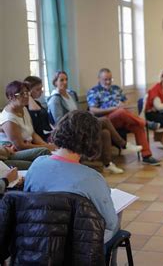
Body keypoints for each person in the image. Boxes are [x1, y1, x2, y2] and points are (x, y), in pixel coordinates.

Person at [24, 110, 119, 243]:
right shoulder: (92, 179)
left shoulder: (36, 165)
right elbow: (111, 223)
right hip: (76, 245)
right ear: (92, 140)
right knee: (115, 222)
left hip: (37, 238)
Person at [49, 71, 142, 173]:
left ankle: (108, 164)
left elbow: (79, 112)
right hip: (71, 128)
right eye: (61, 80)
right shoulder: (55, 99)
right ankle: (123, 145)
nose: (65, 82)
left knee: (105, 133)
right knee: (105, 120)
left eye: (66, 79)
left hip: (79, 124)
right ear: (55, 82)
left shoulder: (71, 94)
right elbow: (59, 121)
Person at [87, 68, 159, 165]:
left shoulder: (116, 89)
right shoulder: (93, 91)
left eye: (110, 79)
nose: (108, 82)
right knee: (120, 112)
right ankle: (146, 123)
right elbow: (93, 110)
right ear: (99, 79)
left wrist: (123, 104)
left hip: (121, 118)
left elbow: (125, 102)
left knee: (137, 125)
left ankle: (147, 156)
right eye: (105, 79)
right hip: (106, 120)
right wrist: (114, 108)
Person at [0, 81, 55, 152]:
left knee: (53, 148)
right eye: (21, 94)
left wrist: (45, 144)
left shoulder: (24, 108)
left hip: (28, 145)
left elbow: (32, 133)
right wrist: (46, 147)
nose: (26, 96)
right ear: (10, 97)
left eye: (27, 93)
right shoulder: (8, 118)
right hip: (14, 151)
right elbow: (20, 146)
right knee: (44, 151)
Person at [24, 76, 53, 141]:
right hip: (39, 138)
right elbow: (35, 109)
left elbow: (47, 122)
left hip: (48, 134)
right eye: (38, 89)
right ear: (29, 91)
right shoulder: (25, 106)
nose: (41, 91)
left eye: (41, 88)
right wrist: (28, 95)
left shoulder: (37, 103)